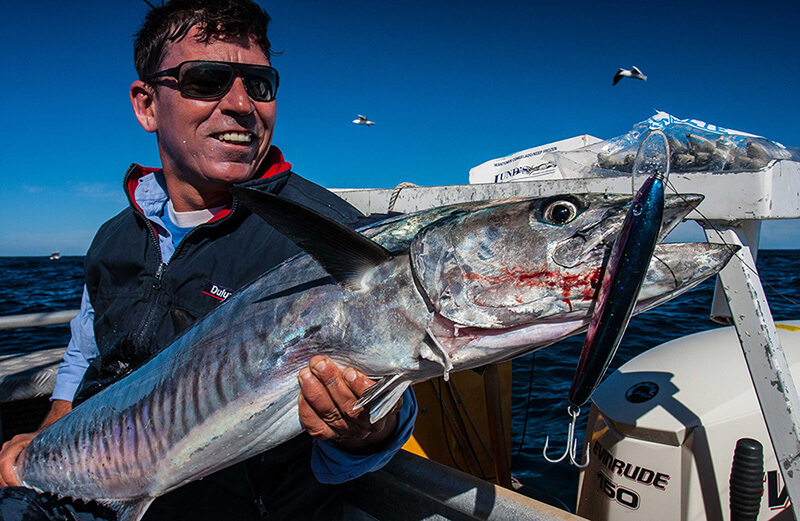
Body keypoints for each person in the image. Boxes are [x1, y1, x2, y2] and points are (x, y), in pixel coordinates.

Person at [0, 0, 416, 519]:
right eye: (206, 79)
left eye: (260, 84)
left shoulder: (332, 236)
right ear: (147, 104)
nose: (242, 104)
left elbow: (390, 382)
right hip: (78, 490)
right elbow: (84, 353)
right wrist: (44, 438)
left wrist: (367, 430)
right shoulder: (113, 235)